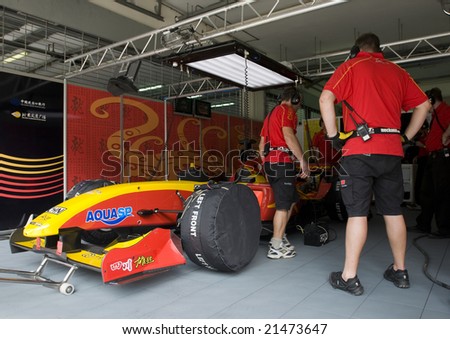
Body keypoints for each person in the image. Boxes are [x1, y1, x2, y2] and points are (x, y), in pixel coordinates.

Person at [319, 33, 430, 296]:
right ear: (380, 49)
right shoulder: (398, 71)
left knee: (357, 213)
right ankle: (400, 271)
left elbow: (325, 99)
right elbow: (424, 105)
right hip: (391, 152)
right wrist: (406, 137)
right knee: (393, 211)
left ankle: (349, 277)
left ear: (356, 49)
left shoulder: (352, 65)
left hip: (358, 151)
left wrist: (334, 136)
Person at [259, 87, 310, 259]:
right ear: (294, 99)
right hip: (282, 162)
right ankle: (275, 245)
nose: (299, 106)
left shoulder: (270, 115)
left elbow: (262, 144)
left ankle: (280, 236)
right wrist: (303, 160)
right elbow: (288, 136)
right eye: (299, 102)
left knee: (292, 201)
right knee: (283, 206)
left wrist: (266, 165)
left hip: (271, 163)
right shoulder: (286, 111)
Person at [413, 88, 450, 237]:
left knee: (442, 194)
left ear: (432, 99)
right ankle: (423, 224)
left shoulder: (445, 110)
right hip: (432, 157)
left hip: (442, 157)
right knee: (426, 193)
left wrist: (447, 134)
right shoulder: (434, 115)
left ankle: (445, 229)